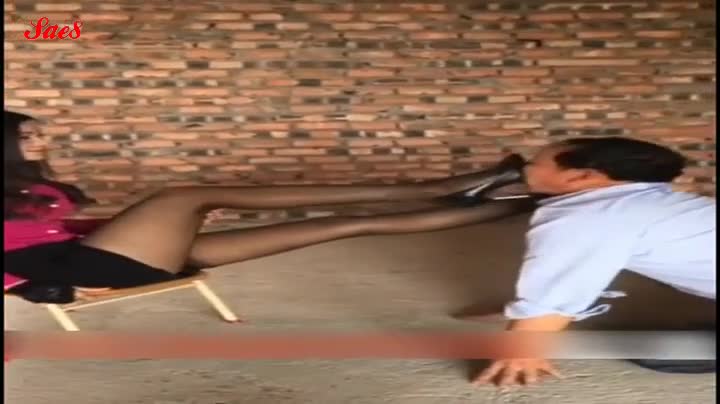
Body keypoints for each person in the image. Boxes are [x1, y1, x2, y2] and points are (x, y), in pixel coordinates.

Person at [4, 110, 534, 304]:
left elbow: (50, 230)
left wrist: (139, 228)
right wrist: (45, 290)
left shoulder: (25, 184)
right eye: (29, 135)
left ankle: (514, 201)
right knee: (184, 196)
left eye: (41, 132)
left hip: (100, 255)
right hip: (84, 269)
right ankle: (450, 184)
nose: (42, 140)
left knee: (347, 225)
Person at [466, 137, 716, 386]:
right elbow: (585, 268)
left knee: (660, 353)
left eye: (533, 163)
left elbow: (561, 287)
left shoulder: (585, 219)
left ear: (581, 176)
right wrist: (522, 312)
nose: (525, 168)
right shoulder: (647, 199)